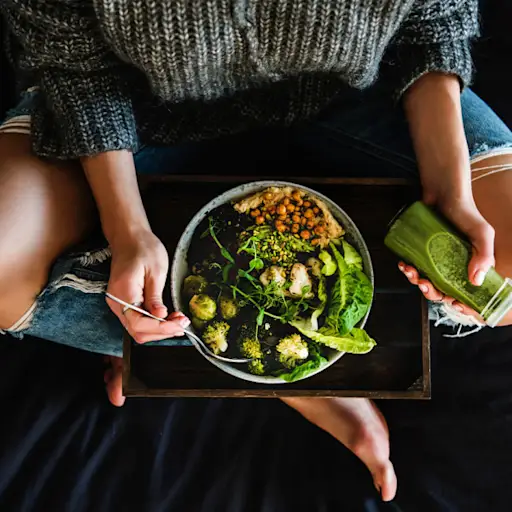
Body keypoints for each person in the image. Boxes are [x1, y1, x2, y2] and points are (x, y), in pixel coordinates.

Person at [1, 0, 511, 502]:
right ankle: (283, 365)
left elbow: (432, 22)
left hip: (357, 91)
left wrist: (449, 190)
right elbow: (73, 60)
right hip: (133, 109)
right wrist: (126, 229)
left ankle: (259, 355)